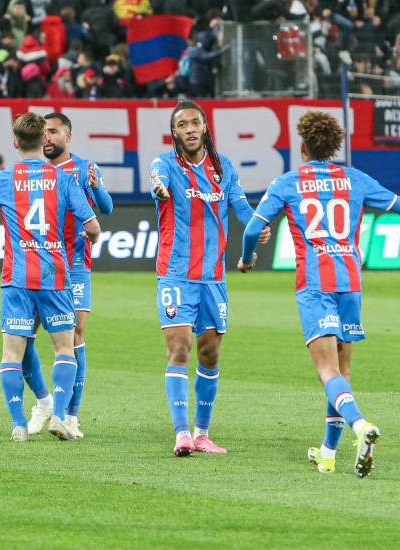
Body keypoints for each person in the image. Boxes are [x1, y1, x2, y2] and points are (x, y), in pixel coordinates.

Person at [239, 111, 400, 477]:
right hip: (350, 280)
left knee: (326, 370)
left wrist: (246, 259)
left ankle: (360, 425)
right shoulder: (354, 178)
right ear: (334, 147)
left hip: (315, 283)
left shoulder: (287, 182)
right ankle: (328, 453)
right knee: (343, 370)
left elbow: (253, 228)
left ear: (302, 147)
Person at [149, 100, 272, 457]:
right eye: (182, 124)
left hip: (213, 277)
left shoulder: (223, 167)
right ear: (174, 132)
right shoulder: (165, 164)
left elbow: (241, 206)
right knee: (179, 348)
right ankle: (181, 433)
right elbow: (156, 182)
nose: (189, 129)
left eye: (194, 123)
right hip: (175, 274)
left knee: (210, 353)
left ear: (204, 128)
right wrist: (159, 189)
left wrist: (256, 226)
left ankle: (202, 434)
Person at [0, 112, 101, 442]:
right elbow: (93, 227)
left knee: (12, 353)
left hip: (17, 277)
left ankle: (18, 423)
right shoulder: (63, 179)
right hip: (56, 276)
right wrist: (86, 238)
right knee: (65, 348)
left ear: (16, 142)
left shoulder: (2, 180)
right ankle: (60, 416)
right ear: (43, 141)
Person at [17, 112, 114, 439]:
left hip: (74, 264)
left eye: (54, 132)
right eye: (43, 132)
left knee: (75, 335)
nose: (47, 138)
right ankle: (43, 401)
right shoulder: (32, 171)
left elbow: (107, 207)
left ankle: (70, 414)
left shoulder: (84, 168)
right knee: (23, 336)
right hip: (35, 263)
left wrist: (97, 187)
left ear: (68, 137)